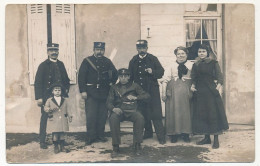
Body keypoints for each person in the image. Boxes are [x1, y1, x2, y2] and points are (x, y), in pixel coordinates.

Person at [78, 42, 118, 145]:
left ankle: (100, 135)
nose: (99, 52)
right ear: (93, 50)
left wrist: (111, 83)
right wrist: (83, 91)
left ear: (104, 50)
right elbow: (81, 77)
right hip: (91, 93)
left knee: (102, 115)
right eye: (97, 49)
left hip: (104, 93)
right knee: (91, 115)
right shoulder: (87, 61)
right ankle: (90, 137)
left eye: (101, 50)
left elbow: (115, 74)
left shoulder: (107, 61)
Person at [190, 43, 229, 149]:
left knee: (213, 114)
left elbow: (220, 77)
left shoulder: (213, 62)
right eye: (199, 51)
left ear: (207, 53)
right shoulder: (196, 64)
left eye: (203, 51)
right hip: (200, 92)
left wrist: (218, 88)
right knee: (202, 114)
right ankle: (206, 138)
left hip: (211, 91)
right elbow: (193, 77)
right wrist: (192, 86)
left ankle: (216, 139)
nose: (201, 53)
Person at [128, 40, 166, 144]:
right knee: (143, 113)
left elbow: (161, 72)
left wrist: (152, 72)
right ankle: (148, 132)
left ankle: (161, 136)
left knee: (156, 113)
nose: (142, 50)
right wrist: (130, 91)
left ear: (147, 48)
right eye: (139, 48)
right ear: (137, 49)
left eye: (143, 48)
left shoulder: (152, 59)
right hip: (139, 92)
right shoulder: (133, 60)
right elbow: (130, 77)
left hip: (152, 90)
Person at [106, 68, 150, 158]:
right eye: (121, 76)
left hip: (132, 111)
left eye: (125, 76)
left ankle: (137, 145)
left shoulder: (135, 86)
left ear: (129, 77)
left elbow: (147, 96)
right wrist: (114, 109)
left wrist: (136, 97)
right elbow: (108, 102)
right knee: (113, 118)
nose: (123, 78)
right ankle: (115, 146)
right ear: (118, 77)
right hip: (119, 111)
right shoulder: (114, 87)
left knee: (140, 118)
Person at [34, 43, 70, 149]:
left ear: (58, 51)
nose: (54, 52)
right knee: (45, 117)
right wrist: (39, 98)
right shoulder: (43, 65)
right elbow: (38, 82)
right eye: (51, 50)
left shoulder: (61, 64)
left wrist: (65, 91)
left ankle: (60, 140)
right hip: (47, 97)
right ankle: (42, 140)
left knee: (60, 118)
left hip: (59, 97)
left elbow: (66, 80)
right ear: (48, 52)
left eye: (56, 50)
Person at [161, 46, 193, 143]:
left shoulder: (191, 65)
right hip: (173, 92)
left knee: (186, 112)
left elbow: (195, 78)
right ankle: (173, 134)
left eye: (183, 53)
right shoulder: (171, 66)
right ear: (176, 55)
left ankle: (186, 133)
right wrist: (163, 93)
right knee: (173, 112)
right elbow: (165, 80)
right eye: (178, 54)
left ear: (186, 55)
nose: (181, 55)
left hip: (187, 91)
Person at [44, 83, 73, 153]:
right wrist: (48, 109)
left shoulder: (65, 100)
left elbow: (68, 109)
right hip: (54, 119)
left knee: (62, 134)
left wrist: (70, 116)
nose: (57, 91)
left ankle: (62, 147)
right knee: (55, 134)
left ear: (61, 91)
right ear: (52, 92)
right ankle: (56, 147)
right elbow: (45, 107)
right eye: (56, 90)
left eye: (59, 90)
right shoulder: (49, 100)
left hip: (62, 119)